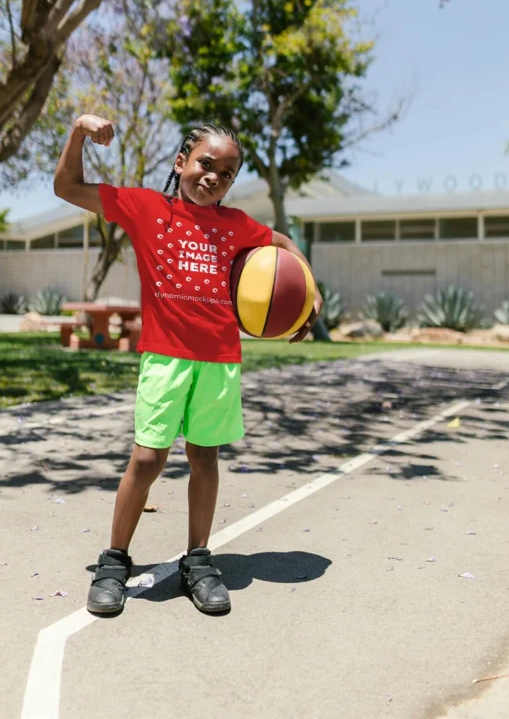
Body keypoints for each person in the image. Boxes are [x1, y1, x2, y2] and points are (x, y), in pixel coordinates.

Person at [53, 113, 322, 615]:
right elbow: (67, 186)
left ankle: (197, 560)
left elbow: (284, 246)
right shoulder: (145, 207)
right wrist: (77, 132)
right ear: (181, 162)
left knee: (204, 458)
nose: (214, 177)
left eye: (227, 172)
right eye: (205, 163)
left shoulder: (239, 226)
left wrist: (309, 293)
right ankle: (115, 561)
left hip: (219, 360)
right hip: (165, 357)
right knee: (148, 459)